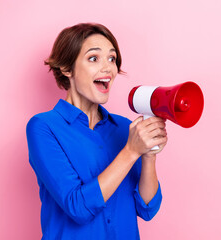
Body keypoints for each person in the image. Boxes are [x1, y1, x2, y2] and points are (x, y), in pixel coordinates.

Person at [26, 23, 168, 239]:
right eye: (94, 58)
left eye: (112, 59)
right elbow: (78, 207)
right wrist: (131, 151)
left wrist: (148, 156)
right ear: (66, 68)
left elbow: (147, 209)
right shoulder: (44, 127)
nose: (108, 69)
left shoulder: (123, 128)